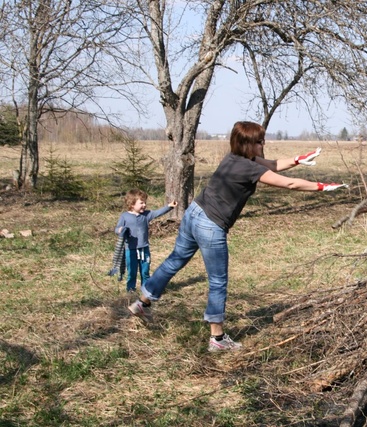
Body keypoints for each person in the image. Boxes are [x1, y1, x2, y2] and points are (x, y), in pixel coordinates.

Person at [128, 121, 347, 352]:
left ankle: (142, 303)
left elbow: (272, 165)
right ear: (247, 144)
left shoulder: (234, 158)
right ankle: (218, 339)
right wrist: (322, 187)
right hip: (210, 224)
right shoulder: (249, 167)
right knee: (218, 280)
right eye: (260, 141)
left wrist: (297, 159)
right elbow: (290, 184)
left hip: (194, 213)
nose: (264, 143)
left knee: (175, 260)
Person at [115, 189, 177, 292]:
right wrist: (120, 230)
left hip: (144, 248)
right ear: (132, 204)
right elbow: (117, 229)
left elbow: (158, 212)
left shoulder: (146, 215)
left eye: (145, 202)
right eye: (141, 203)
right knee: (132, 271)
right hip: (130, 249)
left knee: (145, 271)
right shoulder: (124, 216)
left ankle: (146, 288)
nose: (144, 205)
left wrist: (169, 206)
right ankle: (131, 289)